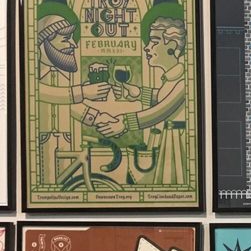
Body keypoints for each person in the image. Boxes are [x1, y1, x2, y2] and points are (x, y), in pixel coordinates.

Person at [98, 17, 188, 185]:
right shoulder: (173, 78)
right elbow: (162, 96)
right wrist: (138, 93)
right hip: (167, 139)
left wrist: (125, 122)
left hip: (177, 144)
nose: (147, 47)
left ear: (172, 45)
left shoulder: (185, 82)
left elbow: (161, 111)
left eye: (154, 41)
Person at [35, 14, 113, 184]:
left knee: (66, 185)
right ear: (45, 43)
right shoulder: (33, 78)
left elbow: (67, 105)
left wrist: (98, 118)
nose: (73, 44)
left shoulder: (63, 77)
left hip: (67, 141)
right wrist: (82, 92)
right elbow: (44, 93)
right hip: (41, 144)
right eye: (66, 39)